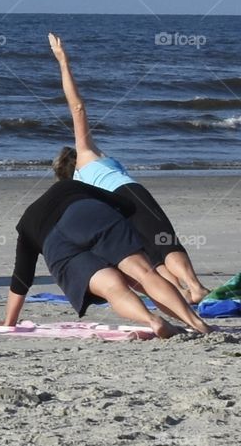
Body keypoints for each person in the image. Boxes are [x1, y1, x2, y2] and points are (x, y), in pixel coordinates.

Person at [48, 33, 209, 303]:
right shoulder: (87, 154)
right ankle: (195, 287)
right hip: (129, 193)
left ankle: (179, 295)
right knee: (164, 241)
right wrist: (64, 62)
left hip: (111, 214)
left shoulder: (76, 187)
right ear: (74, 156)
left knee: (150, 256)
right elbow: (77, 108)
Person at [0, 179, 212, 338]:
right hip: (84, 212)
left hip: (56, 246)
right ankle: (197, 323)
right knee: (144, 275)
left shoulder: (25, 224)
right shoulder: (69, 185)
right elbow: (125, 205)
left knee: (113, 288)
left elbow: (22, 278)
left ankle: (152, 321)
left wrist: (9, 322)